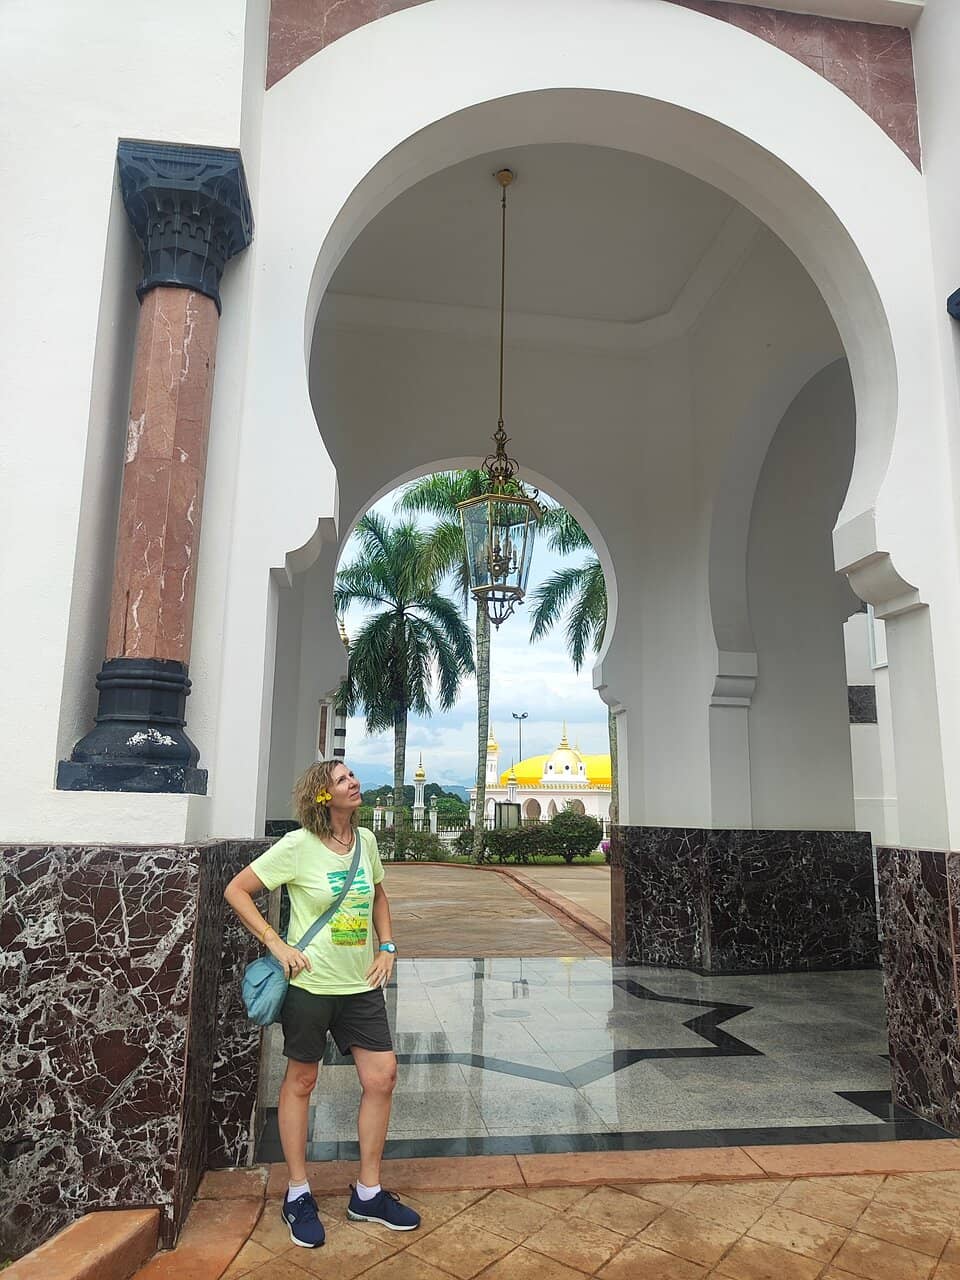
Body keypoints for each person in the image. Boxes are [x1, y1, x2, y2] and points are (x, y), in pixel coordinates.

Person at [224, 759, 420, 1248]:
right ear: (322, 795)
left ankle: (368, 1193)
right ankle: (297, 1192)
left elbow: (378, 897)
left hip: (360, 986)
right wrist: (275, 943)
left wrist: (387, 946)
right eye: (342, 779)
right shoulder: (297, 846)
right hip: (310, 986)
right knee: (302, 1081)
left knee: (382, 1077)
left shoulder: (366, 842)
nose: (353, 783)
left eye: (352, 776)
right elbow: (237, 890)